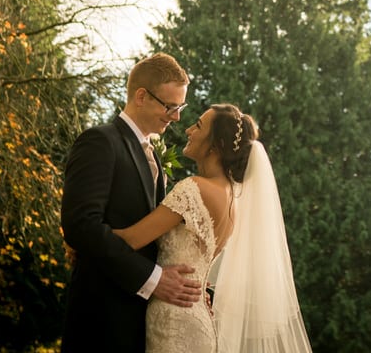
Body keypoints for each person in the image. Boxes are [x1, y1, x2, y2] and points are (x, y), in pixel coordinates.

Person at [114, 104, 312, 353]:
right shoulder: (232, 198)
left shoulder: (193, 189)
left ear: (215, 145)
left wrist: (80, 238)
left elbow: (131, 239)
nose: (187, 130)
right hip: (195, 315)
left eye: (197, 125)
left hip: (174, 320)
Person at [61, 52, 204, 353]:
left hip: (143, 324)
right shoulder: (101, 142)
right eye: (170, 106)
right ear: (141, 96)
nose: (177, 116)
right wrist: (153, 279)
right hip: (101, 321)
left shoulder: (152, 152)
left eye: (181, 107)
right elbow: (80, 226)